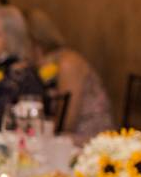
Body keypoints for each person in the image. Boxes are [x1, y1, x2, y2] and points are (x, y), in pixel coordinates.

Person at [27, 8, 114, 140]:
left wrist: (35, 132)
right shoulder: (38, 65)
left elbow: (66, 123)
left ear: (33, 40)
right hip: (64, 138)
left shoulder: (68, 63)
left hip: (90, 140)